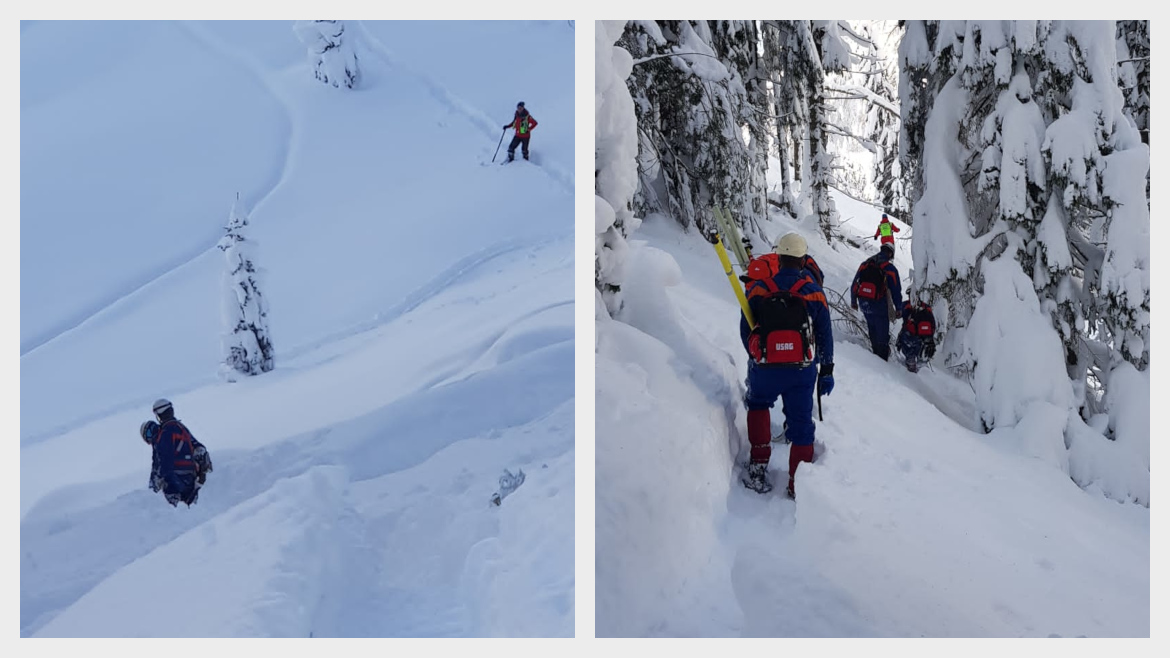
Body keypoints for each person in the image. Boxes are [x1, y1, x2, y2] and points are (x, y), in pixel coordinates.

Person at [739, 232, 834, 498]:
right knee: (802, 425)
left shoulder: (759, 288)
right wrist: (826, 371)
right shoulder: (814, 293)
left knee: (758, 405)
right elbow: (826, 335)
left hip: (765, 367)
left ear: (778, 258)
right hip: (801, 371)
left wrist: (757, 355)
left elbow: (745, 328)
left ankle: (758, 466)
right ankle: (796, 484)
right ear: (803, 261)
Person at [143, 398, 212, 507]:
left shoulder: (166, 433)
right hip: (191, 476)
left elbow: (164, 460)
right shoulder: (181, 428)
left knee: (170, 511)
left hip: (176, 478)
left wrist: (163, 483)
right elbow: (198, 447)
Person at [850, 243, 904, 361]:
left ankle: (875, 356)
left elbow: (855, 284)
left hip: (864, 303)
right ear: (890, 254)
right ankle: (881, 361)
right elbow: (896, 290)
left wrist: (854, 301)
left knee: (872, 329)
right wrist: (899, 308)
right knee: (882, 335)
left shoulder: (865, 264)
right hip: (879, 304)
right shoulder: (889, 269)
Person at [896, 297, 937, 373]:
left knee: (907, 346)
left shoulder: (906, 305)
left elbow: (896, 314)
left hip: (909, 337)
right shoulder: (927, 307)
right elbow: (933, 325)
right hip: (922, 338)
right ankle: (918, 367)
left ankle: (910, 366)